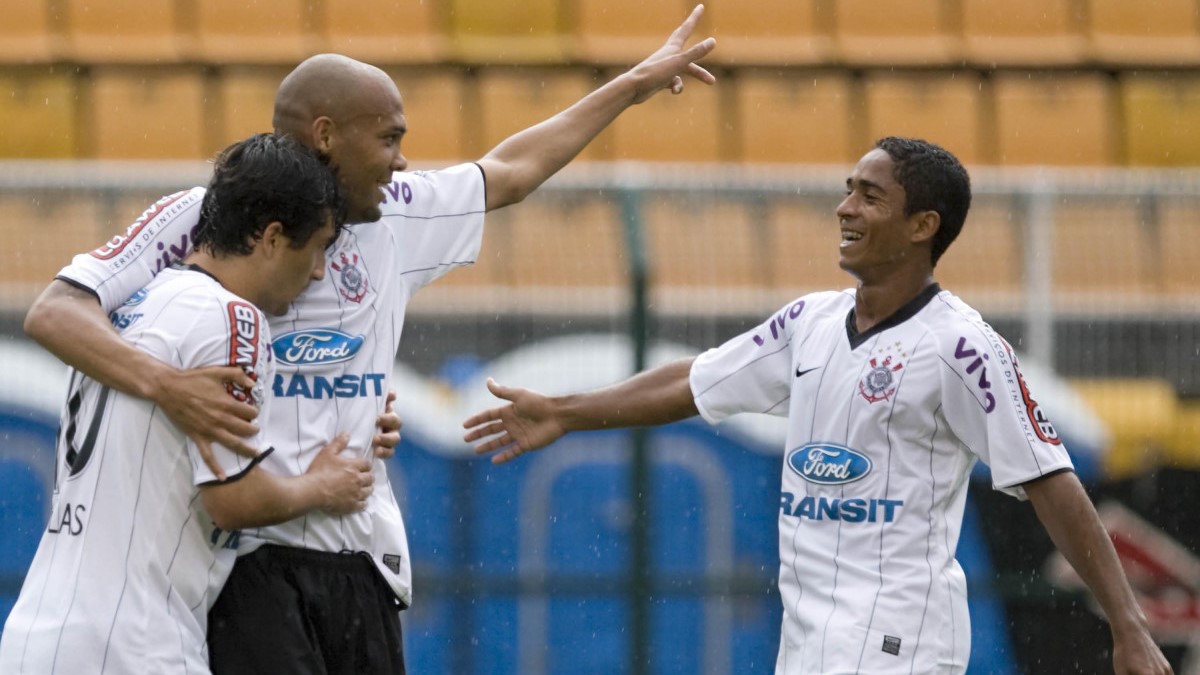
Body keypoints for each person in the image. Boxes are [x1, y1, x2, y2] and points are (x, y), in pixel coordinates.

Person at [21, 6, 717, 673]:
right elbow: (57, 311)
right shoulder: (202, 219)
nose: (403, 161)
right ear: (326, 135)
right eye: (388, 138)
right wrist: (165, 386)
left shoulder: (397, 218)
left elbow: (511, 171)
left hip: (357, 554)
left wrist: (631, 87)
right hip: (248, 560)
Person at [463, 137, 1174, 674]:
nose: (845, 206)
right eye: (847, 189)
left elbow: (1051, 478)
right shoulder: (809, 321)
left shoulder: (962, 347)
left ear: (923, 224)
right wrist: (565, 411)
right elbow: (697, 380)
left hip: (900, 639)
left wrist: (1128, 623)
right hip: (810, 636)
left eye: (869, 195)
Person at [0, 134, 376, 675]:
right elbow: (233, 500)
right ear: (271, 237)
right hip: (135, 645)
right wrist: (322, 486)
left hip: (36, 637)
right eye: (316, 247)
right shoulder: (234, 320)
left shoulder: (128, 310)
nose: (319, 271)